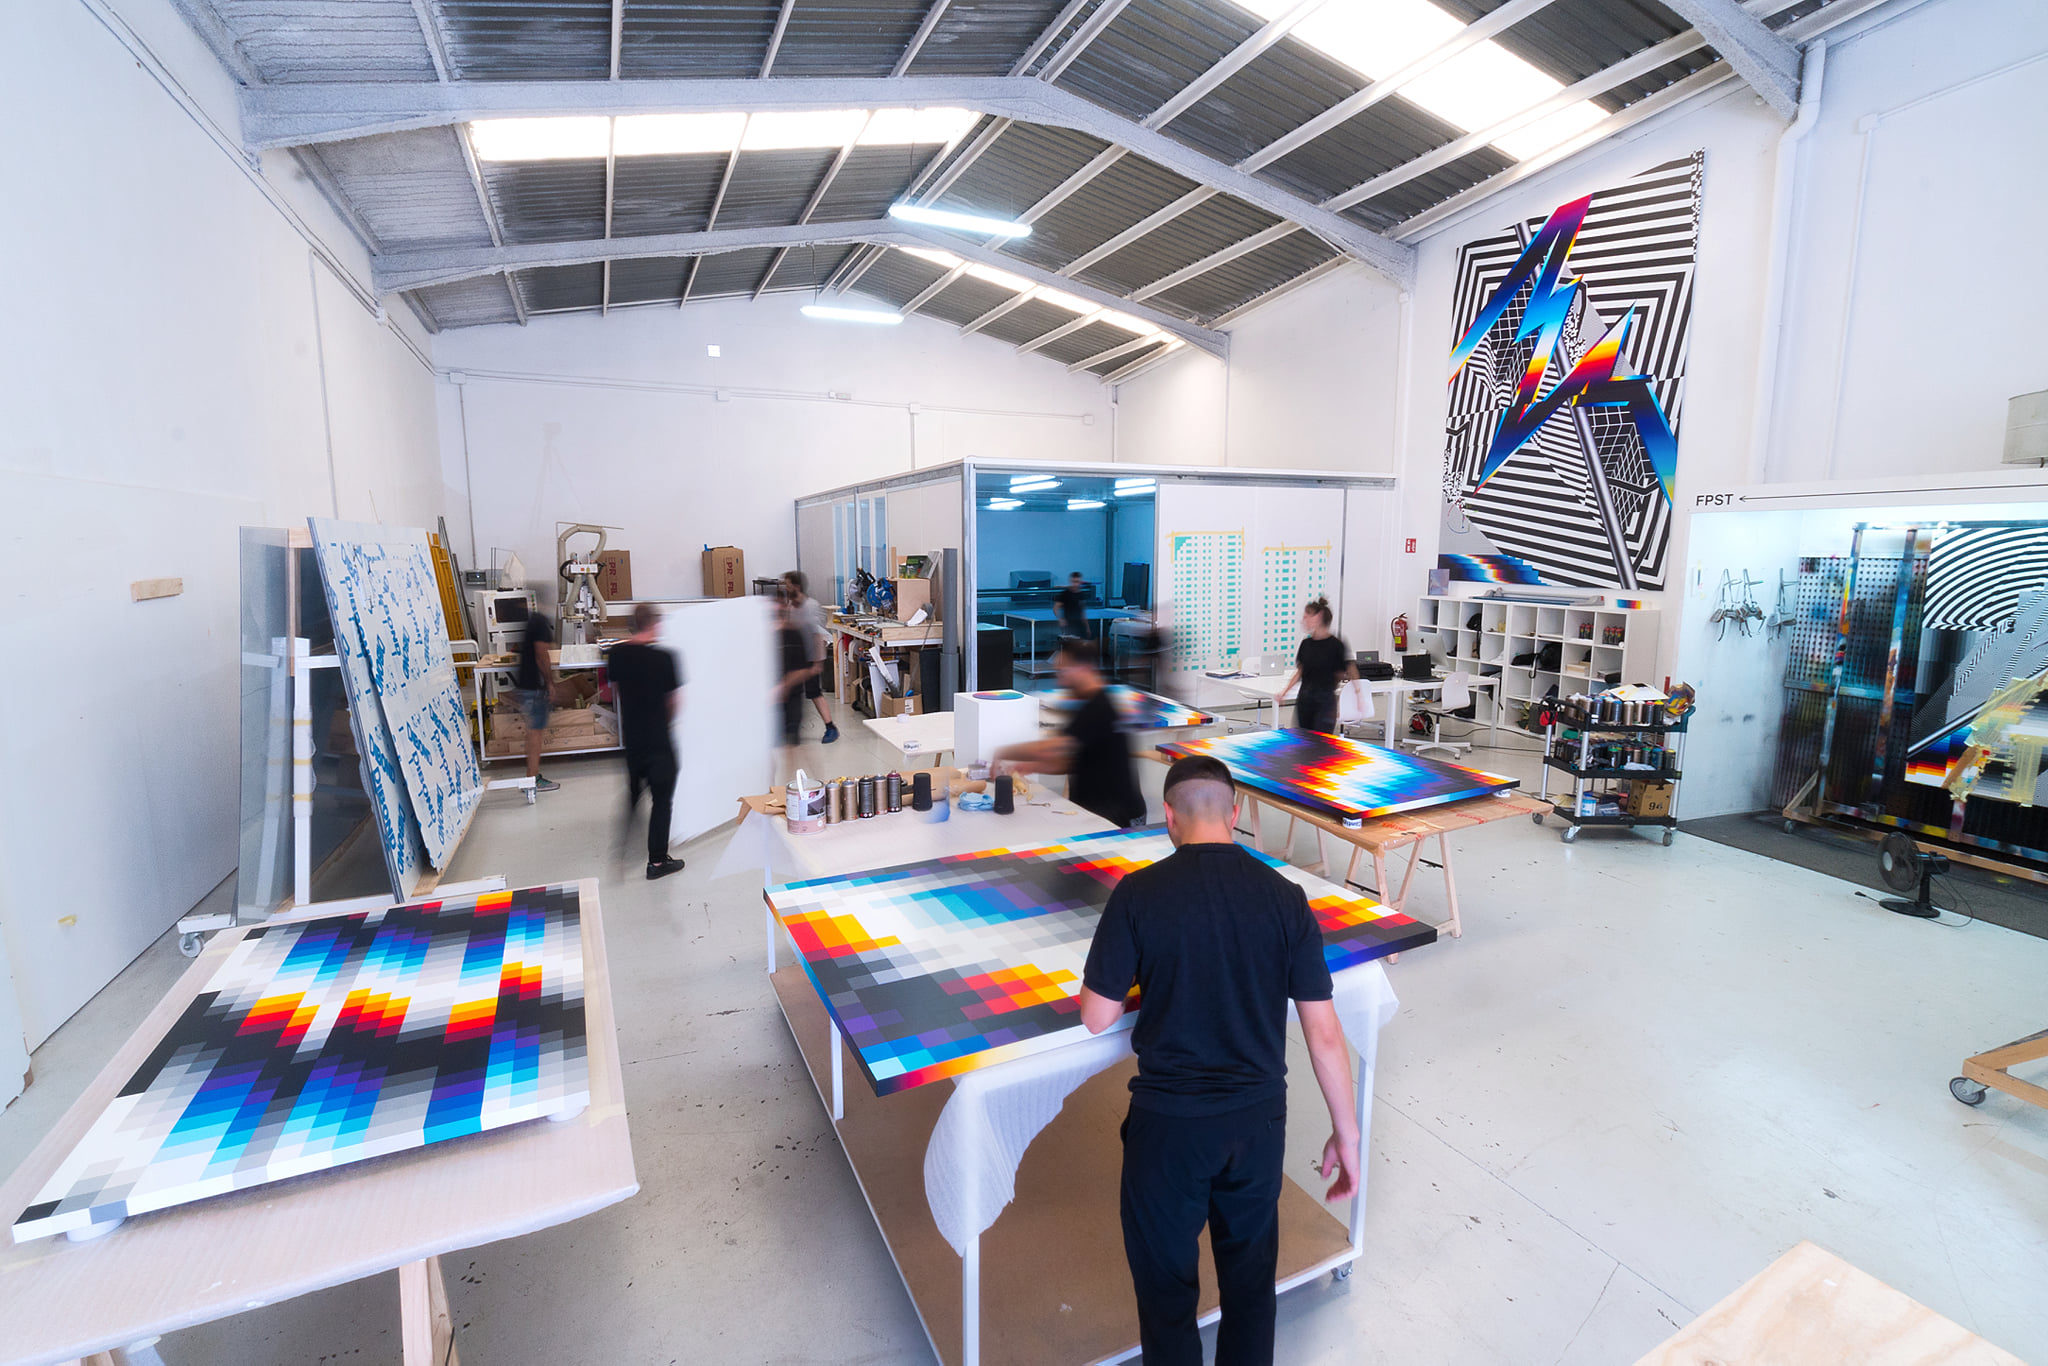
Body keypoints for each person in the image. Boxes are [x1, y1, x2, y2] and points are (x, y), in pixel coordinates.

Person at [1076, 755, 1360, 1366]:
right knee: (1250, 1284)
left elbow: (1097, 1016)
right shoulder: (1286, 898)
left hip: (1169, 1127)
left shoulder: (1138, 894)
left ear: (1169, 817)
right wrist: (1348, 1133)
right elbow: (1324, 1033)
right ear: (1235, 814)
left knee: (1167, 1293)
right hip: (1257, 1123)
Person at [991, 639, 1145, 828]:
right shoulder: (1086, 704)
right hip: (1098, 811)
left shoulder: (1098, 707)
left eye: (1064, 671)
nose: (1060, 680)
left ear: (1084, 668)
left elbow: (1051, 748)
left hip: (1116, 817)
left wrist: (1002, 752)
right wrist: (1029, 766)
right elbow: (1071, 762)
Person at [605, 602, 686, 880]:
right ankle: (657, 862)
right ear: (655, 624)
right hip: (658, 740)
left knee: (633, 795)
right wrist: (664, 722)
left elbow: (616, 692)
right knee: (662, 801)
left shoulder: (617, 654)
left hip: (633, 740)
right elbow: (674, 702)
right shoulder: (665, 658)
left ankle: (620, 854)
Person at [1281, 596, 1355, 735]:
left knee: (1321, 741)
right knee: (1304, 739)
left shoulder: (1335, 645)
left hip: (1324, 703)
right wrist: (1285, 692)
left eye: (1306, 616)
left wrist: (1358, 695)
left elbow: (1344, 671)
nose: (1303, 621)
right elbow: (1300, 671)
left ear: (1318, 617)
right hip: (1305, 701)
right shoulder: (1306, 644)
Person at [782, 570, 838, 743]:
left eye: (788, 585)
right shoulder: (791, 606)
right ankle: (792, 728)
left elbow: (818, 634)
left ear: (796, 586)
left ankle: (831, 727)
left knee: (814, 693)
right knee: (792, 693)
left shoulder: (811, 606)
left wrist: (818, 663)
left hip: (811, 657)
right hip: (796, 658)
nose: (785, 588)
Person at [510, 607, 560, 794]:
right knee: (535, 734)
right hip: (534, 687)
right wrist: (550, 683)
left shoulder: (534, 620)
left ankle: (531, 777)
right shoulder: (540, 623)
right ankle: (532, 779)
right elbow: (541, 654)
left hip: (527, 685)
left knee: (533, 732)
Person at [773, 590, 819, 782]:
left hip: (791, 698)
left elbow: (803, 670)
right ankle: (773, 789)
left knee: (792, 746)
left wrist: (783, 686)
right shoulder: (764, 637)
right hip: (771, 703)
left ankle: (793, 784)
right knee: (773, 753)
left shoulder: (794, 634)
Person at [1055, 571, 1089, 642]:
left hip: (1080, 624)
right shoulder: (1065, 594)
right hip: (1069, 624)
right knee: (1070, 644)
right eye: (1074, 582)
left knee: (1082, 644)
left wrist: (1087, 627)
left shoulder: (1081, 594)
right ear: (1071, 581)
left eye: (1077, 582)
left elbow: (1083, 612)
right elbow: (1055, 608)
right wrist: (1061, 619)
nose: (1075, 584)